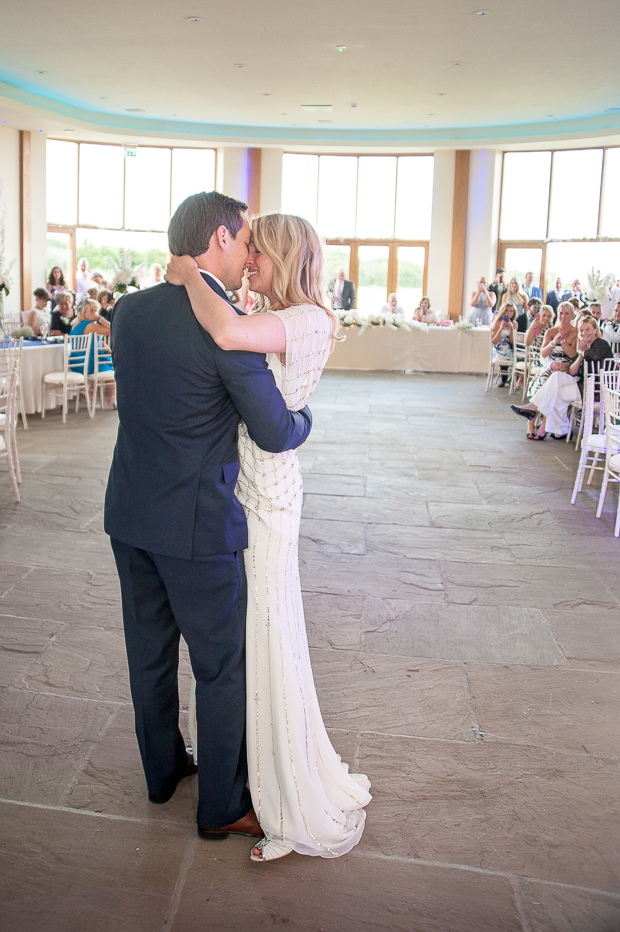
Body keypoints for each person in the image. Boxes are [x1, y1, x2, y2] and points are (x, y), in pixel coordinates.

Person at [104, 192, 315, 856]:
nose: (251, 250)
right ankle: (222, 806)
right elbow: (275, 432)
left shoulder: (128, 312)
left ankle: (163, 775)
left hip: (129, 511)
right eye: (246, 238)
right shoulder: (224, 324)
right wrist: (309, 418)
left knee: (149, 654)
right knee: (222, 664)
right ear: (220, 239)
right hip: (196, 524)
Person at [166, 211, 371, 864]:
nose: (247, 258)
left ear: (281, 256)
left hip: (271, 493)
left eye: (255, 250)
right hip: (247, 484)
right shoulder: (280, 313)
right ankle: (250, 761)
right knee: (249, 627)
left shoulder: (307, 319)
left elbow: (225, 331)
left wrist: (189, 273)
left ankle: (283, 793)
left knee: (268, 627)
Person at [511, 301, 578, 439]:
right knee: (543, 380)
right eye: (544, 315)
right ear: (539, 315)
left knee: (549, 383)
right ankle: (533, 423)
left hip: (564, 369)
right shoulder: (544, 330)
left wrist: (562, 343)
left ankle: (536, 416)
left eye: (549, 316)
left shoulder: (572, 332)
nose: (546, 319)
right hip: (546, 363)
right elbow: (531, 344)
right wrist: (535, 330)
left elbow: (573, 355)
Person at [491, 301, 517, 384]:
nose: (509, 313)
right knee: (506, 353)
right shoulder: (498, 322)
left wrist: (512, 330)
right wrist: (501, 328)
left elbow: (513, 342)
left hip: (509, 348)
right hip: (499, 348)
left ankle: (514, 379)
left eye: (511, 311)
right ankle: (504, 379)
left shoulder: (514, 323)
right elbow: (494, 341)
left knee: (520, 356)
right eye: (507, 310)